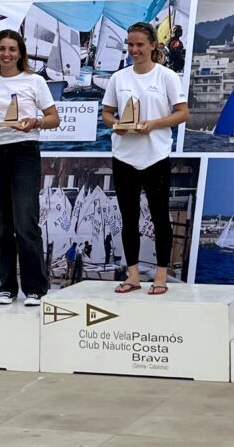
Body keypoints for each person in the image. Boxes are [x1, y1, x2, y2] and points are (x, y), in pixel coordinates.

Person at [0, 29, 60, 306]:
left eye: (12, 49)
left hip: (24, 153)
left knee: (26, 223)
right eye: (1, 49)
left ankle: (35, 287)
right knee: (0, 225)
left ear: (20, 52)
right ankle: (7, 287)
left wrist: (36, 122)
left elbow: (53, 118)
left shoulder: (34, 81)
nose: (6, 54)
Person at [102, 21, 188, 295]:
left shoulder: (167, 77)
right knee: (128, 219)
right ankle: (133, 276)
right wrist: (116, 124)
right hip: (124, 156)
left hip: (155, 156)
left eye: (139, 45)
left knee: (160, 217)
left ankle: (161, 276)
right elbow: (106, 115)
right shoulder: (119, 78)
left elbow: (182, 113)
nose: (134, 50)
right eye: (130, 45)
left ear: (153, 45)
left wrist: (154, 124)